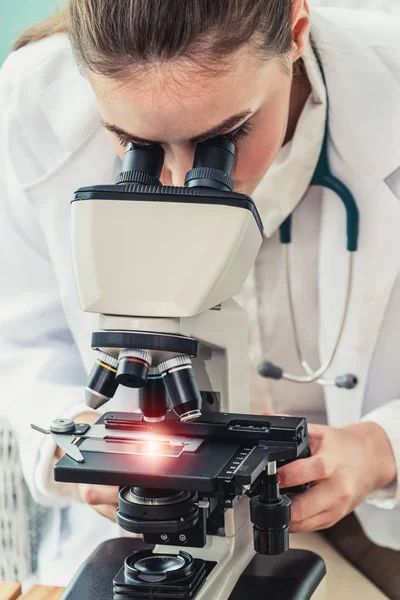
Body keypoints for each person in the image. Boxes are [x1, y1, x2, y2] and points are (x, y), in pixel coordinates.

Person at [1, 0, 400, 596]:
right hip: (155, 508)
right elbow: (21, 338)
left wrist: (382, 447)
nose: (183, 177)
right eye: (135, 143)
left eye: (225, 137)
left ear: (295, 33)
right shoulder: (33, 100)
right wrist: (82, 435)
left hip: (369, 507)